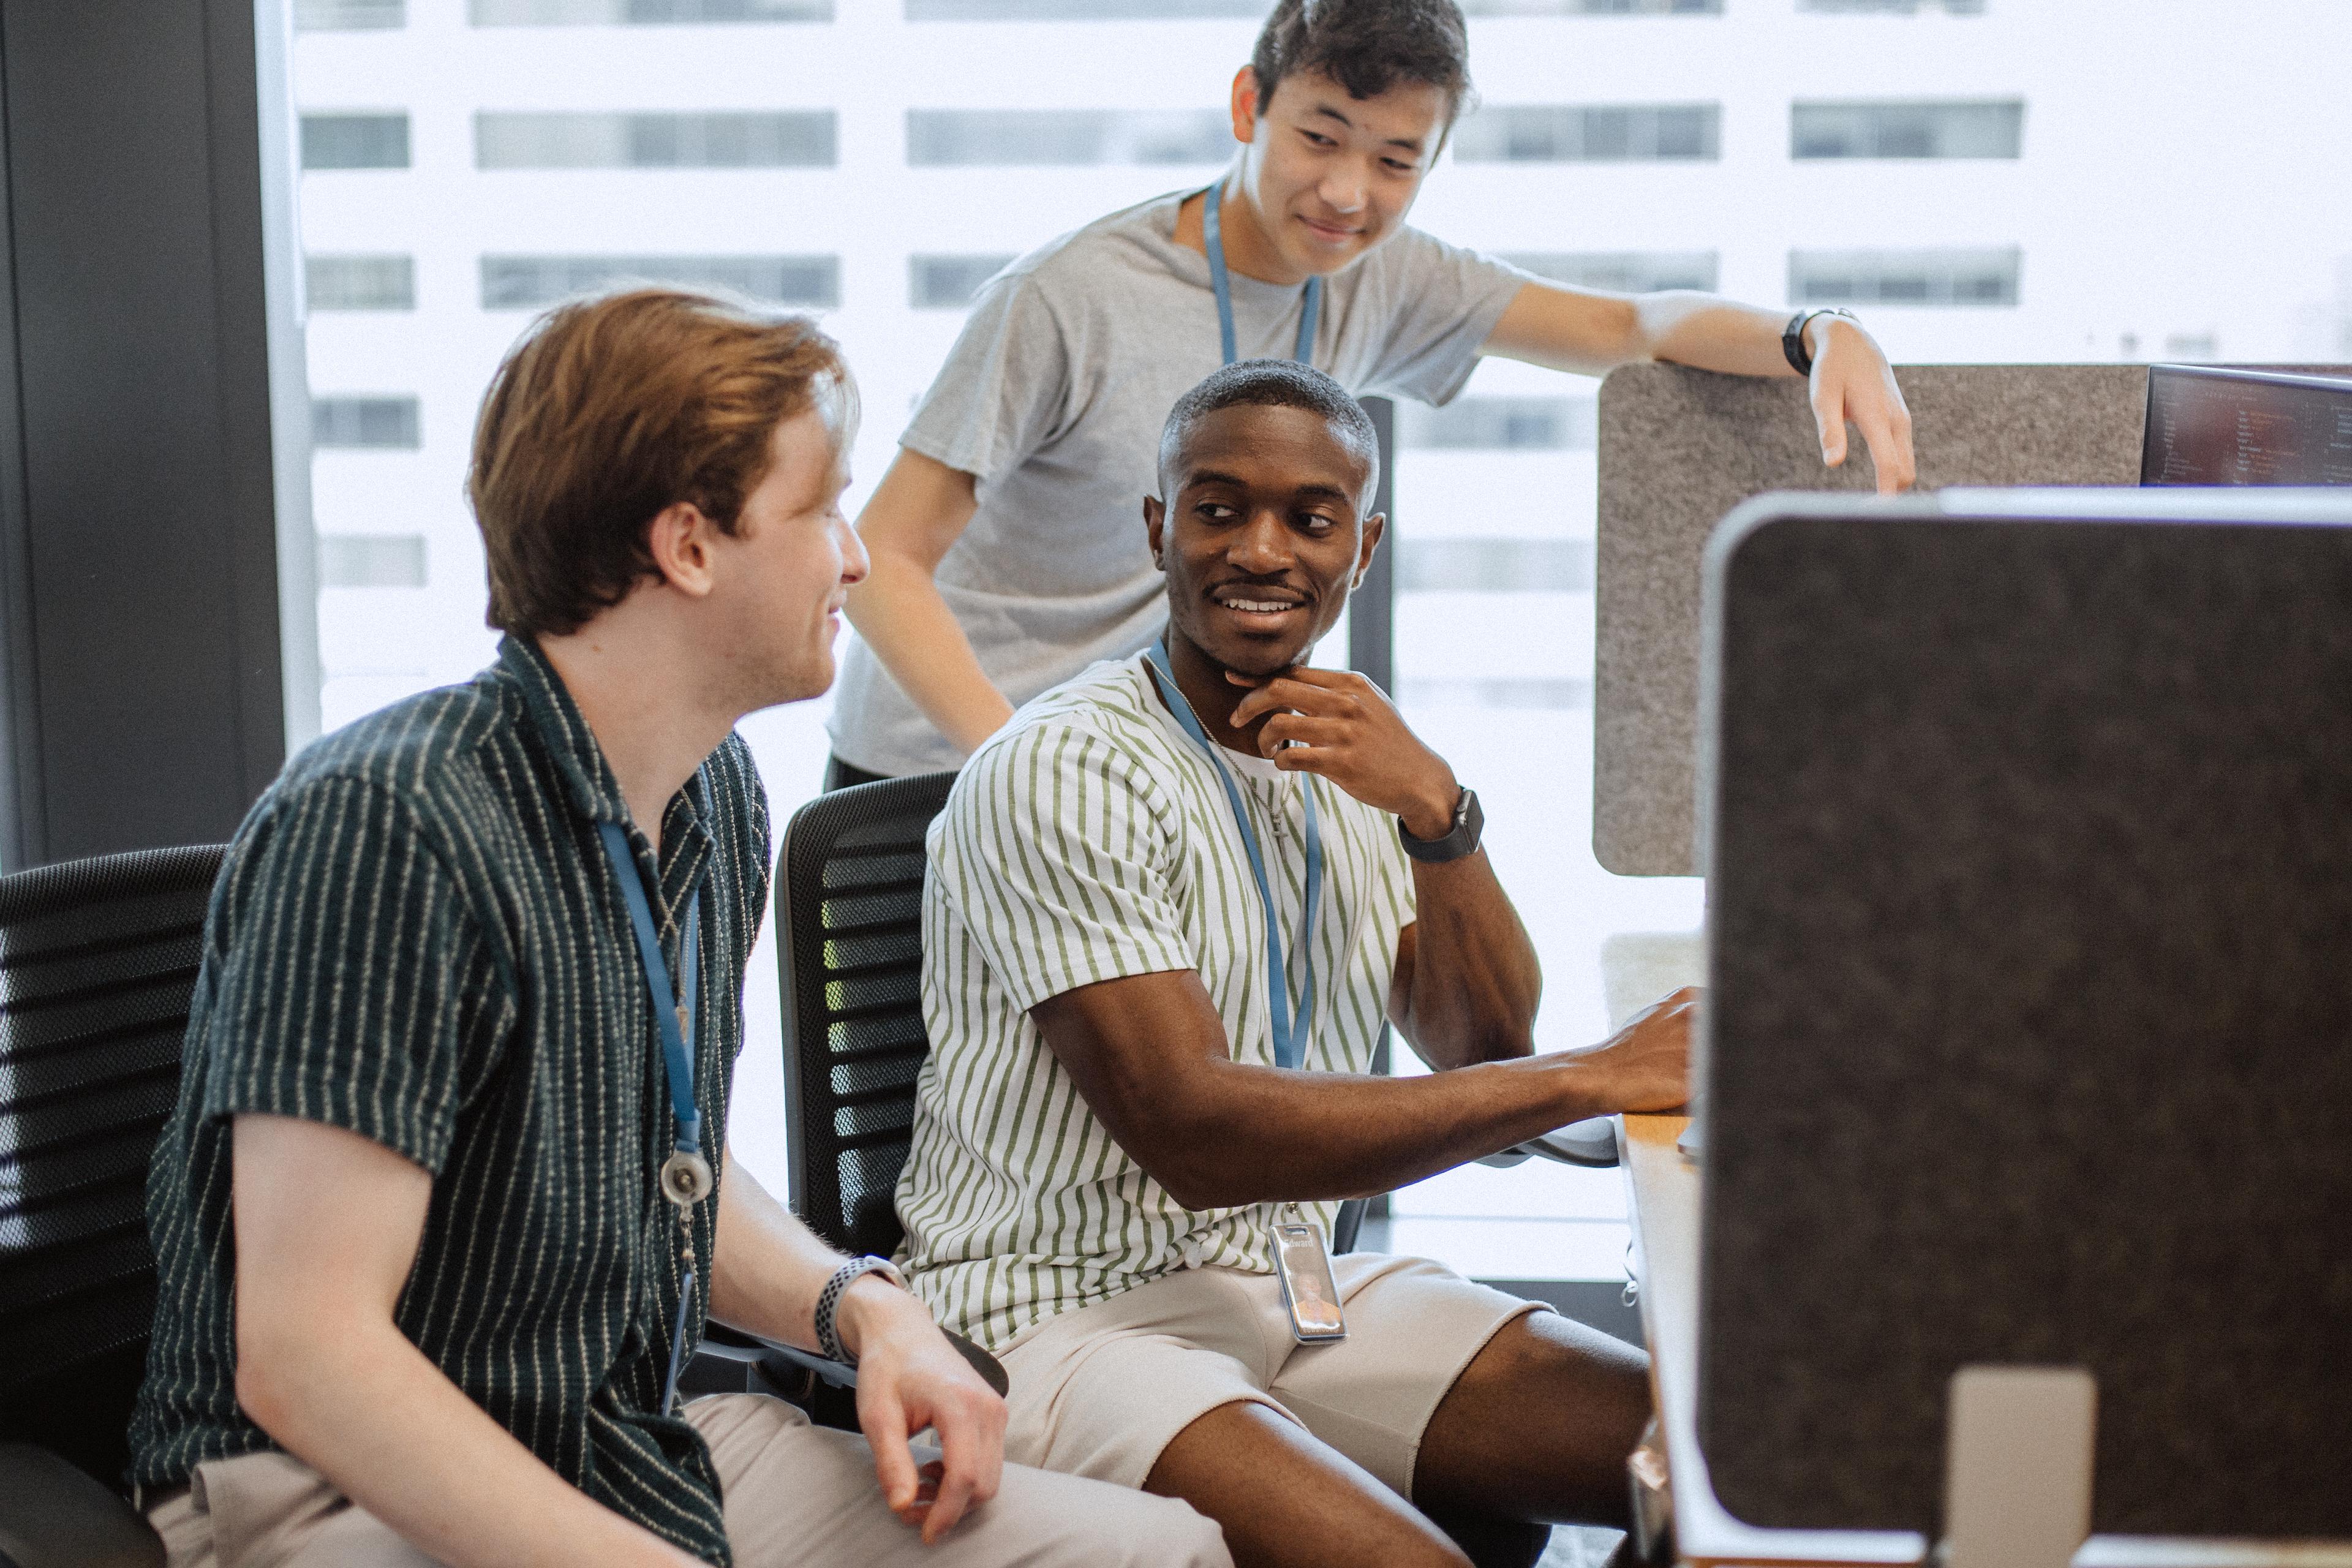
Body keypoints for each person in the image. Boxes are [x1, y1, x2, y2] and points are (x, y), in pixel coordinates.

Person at [125, 289, 1230, 1568]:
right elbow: (309, 1357)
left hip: (618, 1434)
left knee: (1167, 1552)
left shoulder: (712, 792)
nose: (859, 559)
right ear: (690, 545)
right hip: (336, 1489)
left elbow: (666, 1160)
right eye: (823, 510)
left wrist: (866, 1309)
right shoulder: (389, 824)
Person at [894, 357, 1697, 1568]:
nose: (1261, 550)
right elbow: (1198, 1130)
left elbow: (1481, 1046)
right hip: (1059, 1314)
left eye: (1308, 518)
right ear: (1161, 526)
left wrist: (1440, 813)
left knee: (1709, 1459)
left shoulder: (1350, 748)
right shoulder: (1063, 768)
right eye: (1219, 508)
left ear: (1360, 547)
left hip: (1296, 1284)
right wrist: (1590, 1076)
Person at [826, 0, 1917, 785]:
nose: (1349, 193)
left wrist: (1818, 332)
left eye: (1397, 162)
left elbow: (1623, 328)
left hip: (1131, 770)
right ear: (1250, 105)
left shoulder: (1381, 276)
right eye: (1320, 138)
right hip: (938, 760)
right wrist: (1015, 767)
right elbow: (883, 564)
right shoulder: (1068, 296)